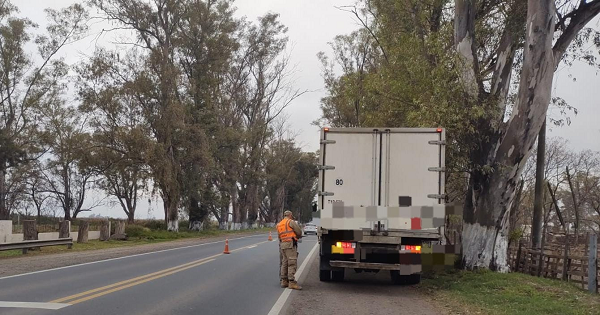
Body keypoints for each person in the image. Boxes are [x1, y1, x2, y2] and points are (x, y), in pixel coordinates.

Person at [277, 210, 303, 290]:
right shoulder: (290, 222)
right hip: (290, 245)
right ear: (290, 215)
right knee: (292, 262)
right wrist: (297, 237)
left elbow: (279, 236)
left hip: (282, 245)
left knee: (284, 262)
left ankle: (284, 281)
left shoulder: (279, 224)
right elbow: (299, 232)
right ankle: (291, 282)